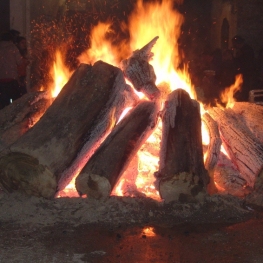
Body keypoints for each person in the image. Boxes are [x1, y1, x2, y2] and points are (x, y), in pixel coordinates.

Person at [0, 31, 23, 109]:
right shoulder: (13, 47)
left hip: (1, 80)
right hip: (12, 79)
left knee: (4, 103)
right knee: (16, 102)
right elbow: (20, 62)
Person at [232, 35, 255, 101]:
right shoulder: (240, 50)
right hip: (242, 73)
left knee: (245, 89)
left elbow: (245, 62)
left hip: (247, 73)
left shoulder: (247, 50)